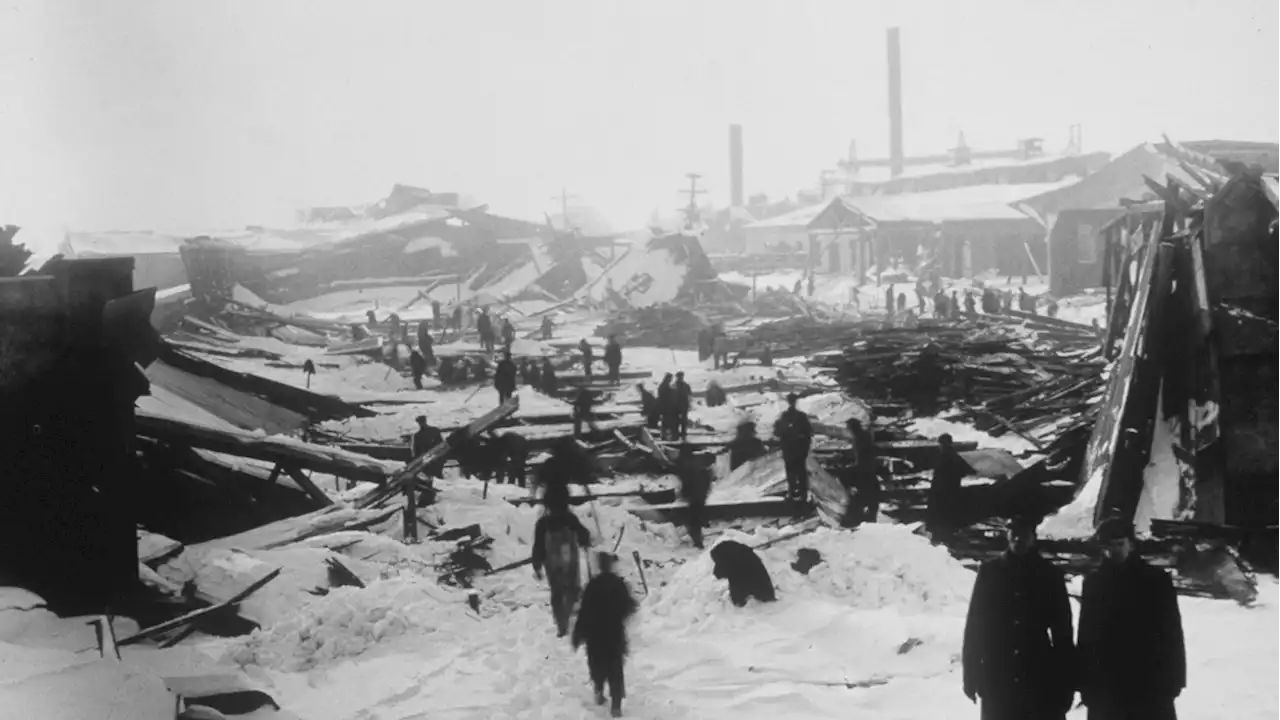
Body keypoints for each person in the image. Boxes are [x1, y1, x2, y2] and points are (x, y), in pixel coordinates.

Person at [962, 514, 1075, 720]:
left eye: (1023, 534)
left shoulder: (1049, 576)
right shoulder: (991, 572)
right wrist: (970, 673)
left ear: (1033, 537)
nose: (1017, 539)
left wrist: (1066, 684)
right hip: (998, 676)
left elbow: (1063, 635)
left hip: (1038, 678)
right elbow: (976, 626)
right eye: (1013, 533)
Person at [1077, 515, 1186, 720]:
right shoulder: (1095, 583)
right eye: (1109, 546)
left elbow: (1171, 633)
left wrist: (1175, 680)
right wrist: (1085, 682)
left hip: (1149, 682)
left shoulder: (1155, 581)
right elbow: (1086, 637)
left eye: (1120, 544)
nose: (1115, 550)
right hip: (1107, 685)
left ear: (1131, 544)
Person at [572, 551, 638, 718]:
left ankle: (599, 689)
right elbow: (629, 605)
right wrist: (621, 617)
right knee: (615, 668)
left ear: (599, 566)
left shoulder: (592, 585)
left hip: (595, 634)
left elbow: (584, 611)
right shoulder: (619, 584)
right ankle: (616, 704)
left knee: (596, 664)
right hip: (614, 633)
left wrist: (578, 634)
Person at [532, 482, 592, 637]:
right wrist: (585, 540)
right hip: (570, 559)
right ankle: (568, 614)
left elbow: (538, 545)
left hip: (551, 564)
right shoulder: (570, 519)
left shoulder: (543, 523)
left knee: (557, 592)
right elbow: (582, 532)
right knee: (572, 588)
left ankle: (562, 624)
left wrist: (537, 565)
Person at [927, 433, 974, 542]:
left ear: (943, 444)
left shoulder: (944, 457)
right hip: (950, 492)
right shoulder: (954, 457)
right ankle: (943, 537)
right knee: (946, 518)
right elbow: (966, 471)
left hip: (942, 493)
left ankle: (941, 539)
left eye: (940, 444)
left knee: (941, 518)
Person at [710, 540, 776, 607]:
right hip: (762, 589)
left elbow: (721, 572)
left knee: (738, 587)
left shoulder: (732, 559)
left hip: (758, 596)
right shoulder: (741, 553)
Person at [772, 393, 813, 503]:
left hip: (789, 449)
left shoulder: (783, 416)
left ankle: (792, 492)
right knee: (800, 471)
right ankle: (802, 493)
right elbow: (808, 433)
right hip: (798, 449)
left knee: (791, 471)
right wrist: (806, 446)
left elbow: (776, 432)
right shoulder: (801, 416)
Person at [843, 417, 879, 526]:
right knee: (869, 491)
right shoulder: (864, 435)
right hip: (868, 467)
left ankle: (862, 514)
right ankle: (869, 514)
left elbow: (861, 454)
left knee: (862, 490)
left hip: (864, 467)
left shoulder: (859, 438)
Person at [676, 445, 712, 549]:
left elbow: (686, 481)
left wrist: (685, 493)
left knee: (693, 519)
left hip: (694, 496)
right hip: (699, 495)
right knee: (696, 517)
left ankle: (698, 542)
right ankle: (698, 538)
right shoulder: (697, 465)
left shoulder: (685, 464)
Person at [411, 415, 445, 482]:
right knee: (430, 478)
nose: (421, 424)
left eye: (422, 422)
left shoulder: (434, 430)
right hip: (427, 461)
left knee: (438, 478)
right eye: (420, 422)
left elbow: (442, 445)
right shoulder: (417, 436)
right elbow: (416, 451)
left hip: (436, 459)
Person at [673, 371, 692, 440]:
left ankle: (683, 432)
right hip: (676, 405)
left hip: (684, 405)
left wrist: (689, 404)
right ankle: (677, 433)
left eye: (681, 376)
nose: (680, 378)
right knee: (676, 420)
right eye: (679, 376)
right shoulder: (674, 385)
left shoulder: (685, 385)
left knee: (684, 420)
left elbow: (689, 395)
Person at [657, 373, 676, 440]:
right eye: (670, 378)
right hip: (666, 408)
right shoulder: (665, 386)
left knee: (665, 422)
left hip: (665, 408)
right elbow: (666, 396)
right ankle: (666, 436)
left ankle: (664, 436)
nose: (671, 380)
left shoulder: (663, 386)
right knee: (668, 422)